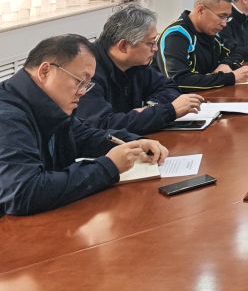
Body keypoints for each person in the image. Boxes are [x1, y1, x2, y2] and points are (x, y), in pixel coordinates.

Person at [0, 34, 168, 216]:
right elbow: (24, 192)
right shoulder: (7, 116)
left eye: (87, 85)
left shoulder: (48, 104)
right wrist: (108, 167)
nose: (82, 92)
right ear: (45, 71)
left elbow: (82, 136)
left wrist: (133, 142)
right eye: (79, 81)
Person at [75, 4, 204, 133]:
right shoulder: (87, 72)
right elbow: (103, 125)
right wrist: (169, 111)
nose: (155, 48)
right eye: (150, 43)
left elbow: (169, 87)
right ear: (123, 46)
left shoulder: (136, 63)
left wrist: (151, 108)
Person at [158, 0, 248, 89]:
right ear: (200, 10)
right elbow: (179, 81)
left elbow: (235, 53)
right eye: (221, 16)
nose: (224, 23)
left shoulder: (210, 32)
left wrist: (226, 64)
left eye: (227, 17)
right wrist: (231, 77)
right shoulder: (175, 36)